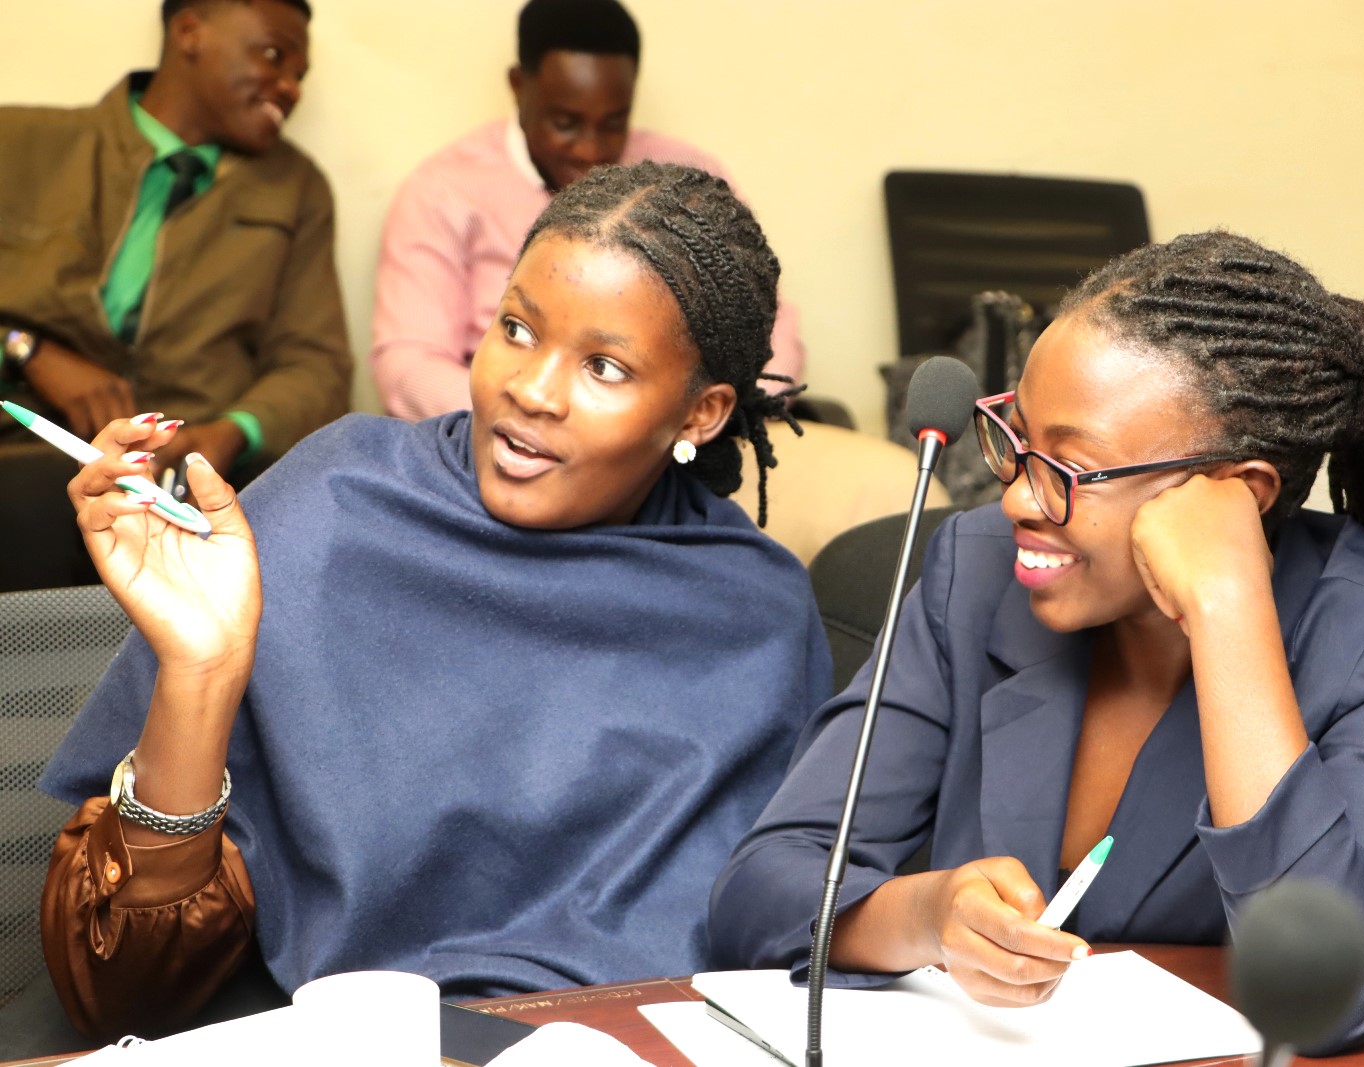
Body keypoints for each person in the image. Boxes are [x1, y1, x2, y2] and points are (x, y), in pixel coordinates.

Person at [33, 162, 831, 1045]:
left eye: (604, 366)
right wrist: (201, 670)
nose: (531, 389)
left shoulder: (752, 617)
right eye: (517, 328)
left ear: (701, 415)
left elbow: (764, 969)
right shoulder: (337, 502)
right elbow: (121, 995)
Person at [709, 231, 1364, 1054]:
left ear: (1236, 492)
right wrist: (926, 915)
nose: (1019, 497)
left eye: (1070, 466)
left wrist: (1228, 608)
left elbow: (1336, 992)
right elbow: (760, 889)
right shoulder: (978, 572)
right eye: (1016, 439)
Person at [370, 0, 805, 422]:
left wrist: (714, 422)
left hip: (671, 447)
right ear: (519, 87)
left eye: (614, 123)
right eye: (566, 123)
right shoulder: (445, 192)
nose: (591, 150)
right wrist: (538, 422)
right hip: (501, 446)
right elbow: (408, 364)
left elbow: (770, 328)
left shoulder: (692, 182)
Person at [0, 0, 350, 491]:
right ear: (190, 33)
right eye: (273, 56)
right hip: (21, 451)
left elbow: (316, 365)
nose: (291, 87)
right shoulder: (20, 144)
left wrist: (233, 433)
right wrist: (23, 350)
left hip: (178, 485)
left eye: (300, 74)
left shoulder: (295, 188)